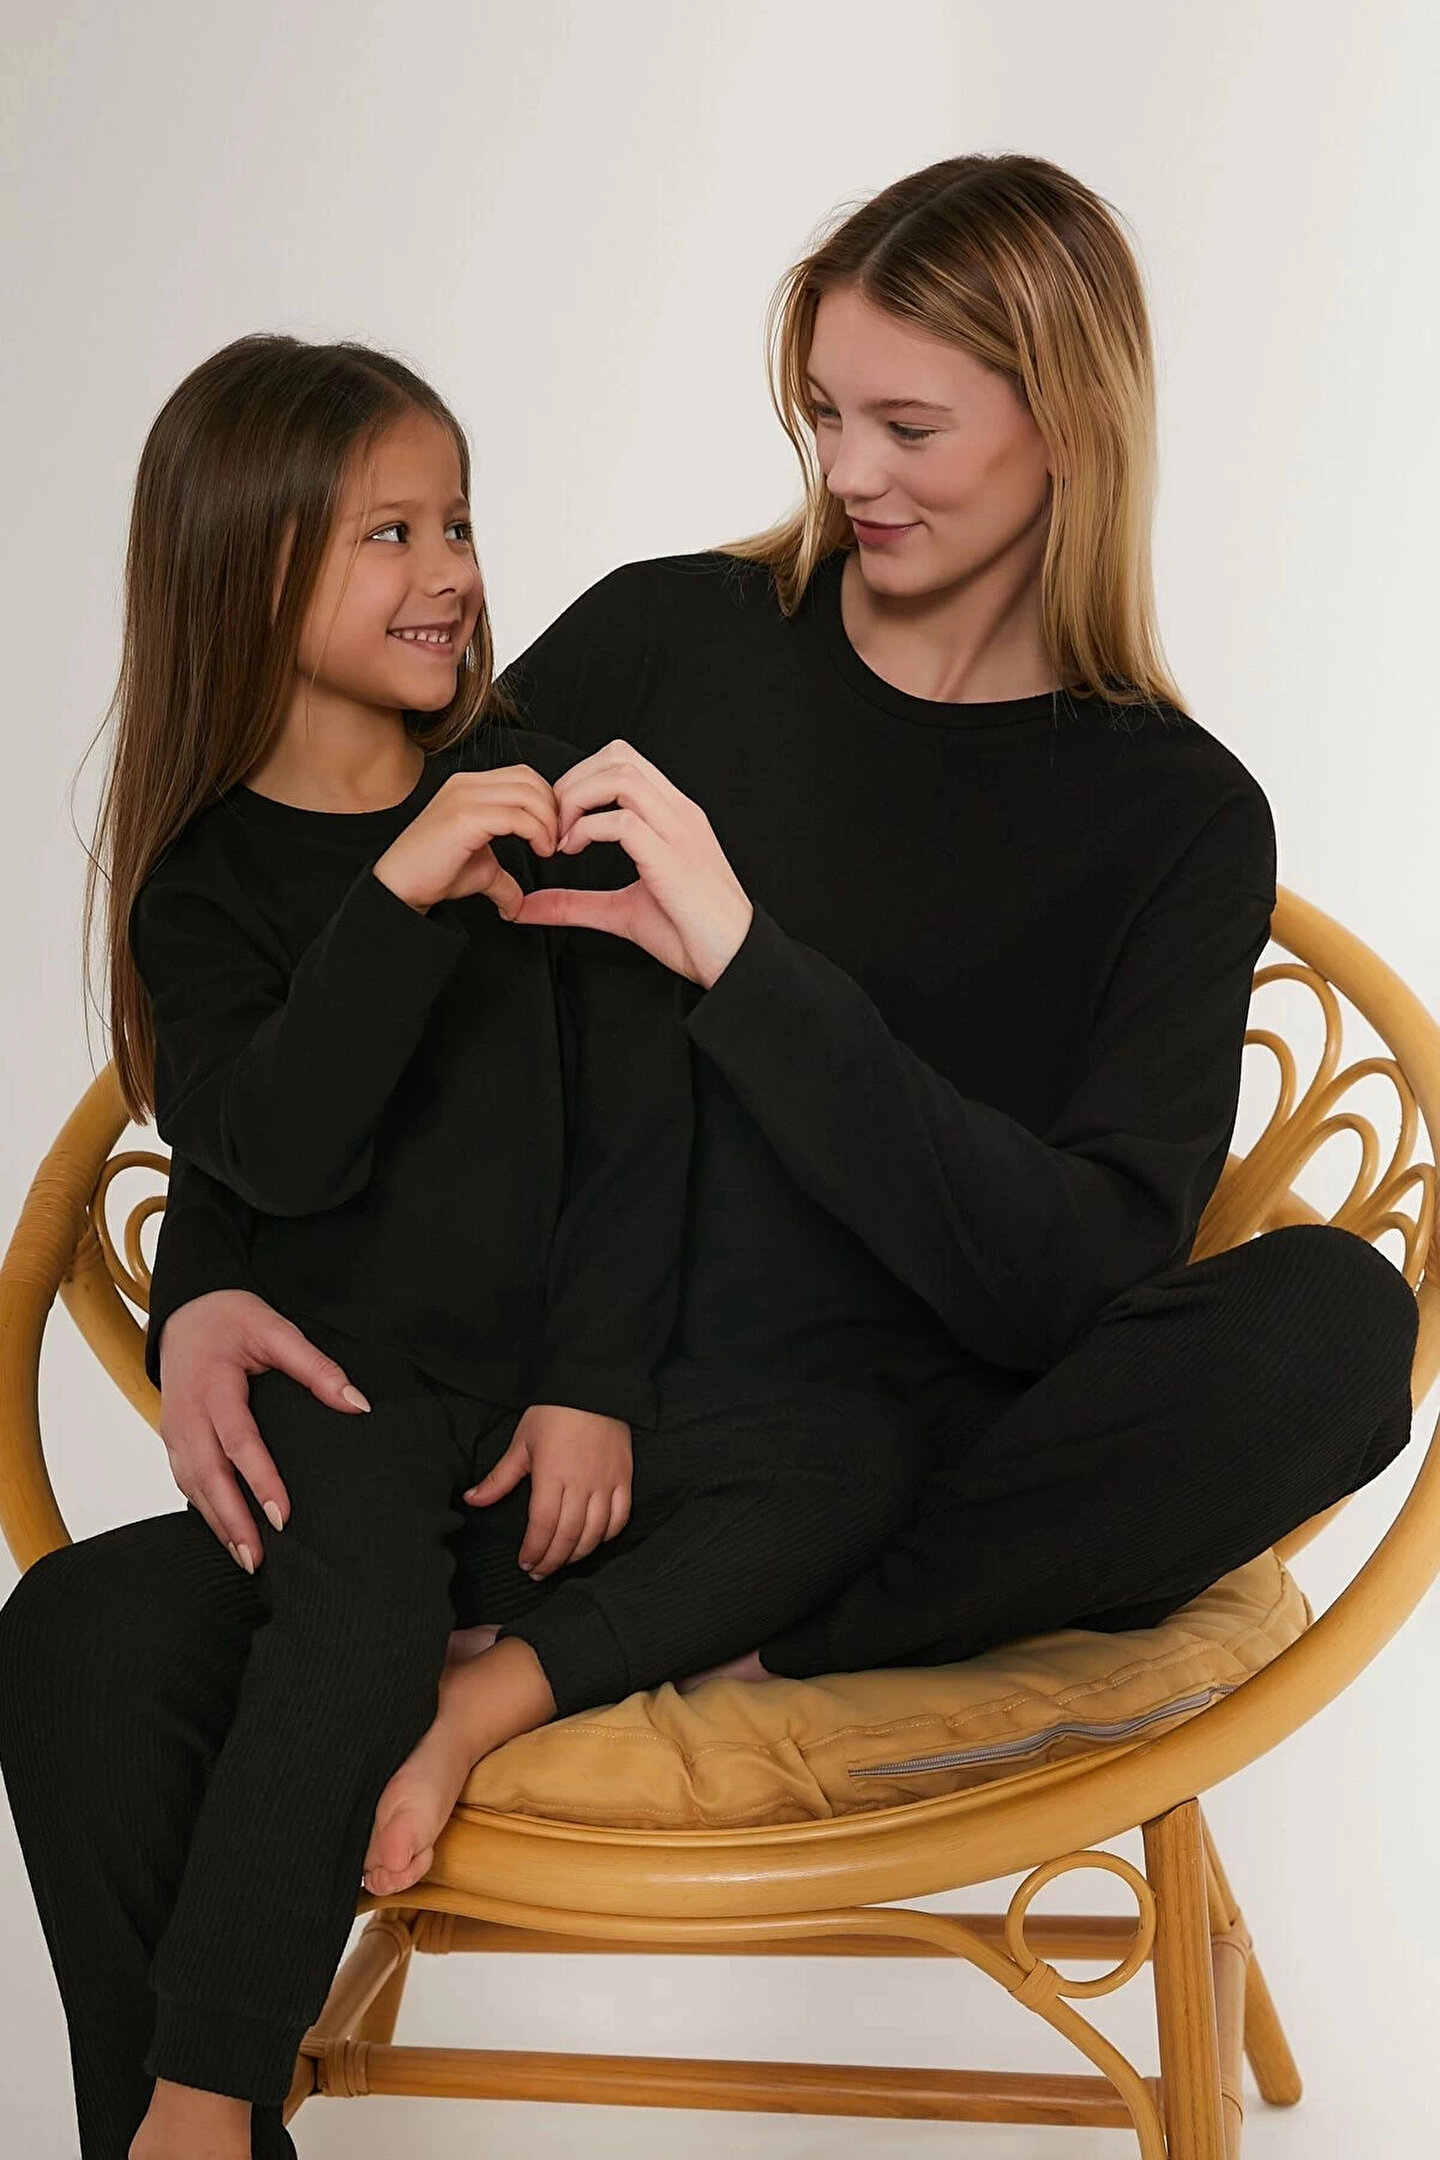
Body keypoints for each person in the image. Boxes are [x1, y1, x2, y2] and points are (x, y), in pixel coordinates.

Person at [2, 149, 1420, 2155]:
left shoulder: (1176, 816)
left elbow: (1077, 1277)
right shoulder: (674, 642)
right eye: (823, 412)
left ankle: (647, 1654)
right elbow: (370, 932)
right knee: (82, 1646)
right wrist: (218, 1269)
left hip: (890, 1481)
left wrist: (752, 966)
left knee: (1337, 1332)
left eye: (907, 425)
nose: (848, 473)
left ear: (1070, 425)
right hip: (534, 1444)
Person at [0, 335, 915, 2160]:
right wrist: (399, 892)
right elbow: (268, 1145)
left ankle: (477, 1651)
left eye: (460, 524)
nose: (451, 575)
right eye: (389, 534)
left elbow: (636, 1132)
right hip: (344, 1408)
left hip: (529, 1445)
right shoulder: (207, 884)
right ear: (243, 570)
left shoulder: (544, 790)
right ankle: (203, 2107)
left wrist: (594, 1388)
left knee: (850, 1452)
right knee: (260, 1625)